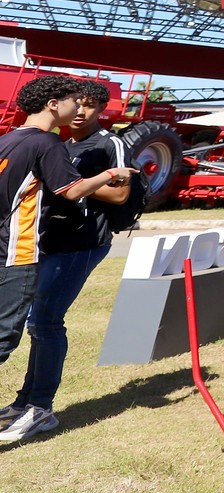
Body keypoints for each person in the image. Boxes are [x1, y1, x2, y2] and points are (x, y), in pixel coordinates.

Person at [5, 80, 139, 445]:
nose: (81, 111)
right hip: (48, 241)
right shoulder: (59, 144)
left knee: (45, 321)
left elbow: (121, 193)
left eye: (90, 105)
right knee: (37, 323)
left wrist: (77, 184)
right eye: (76, 103)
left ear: (102, 109)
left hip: (82, 243)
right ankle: (24, 402)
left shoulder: (109, 143)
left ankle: (41, 408)